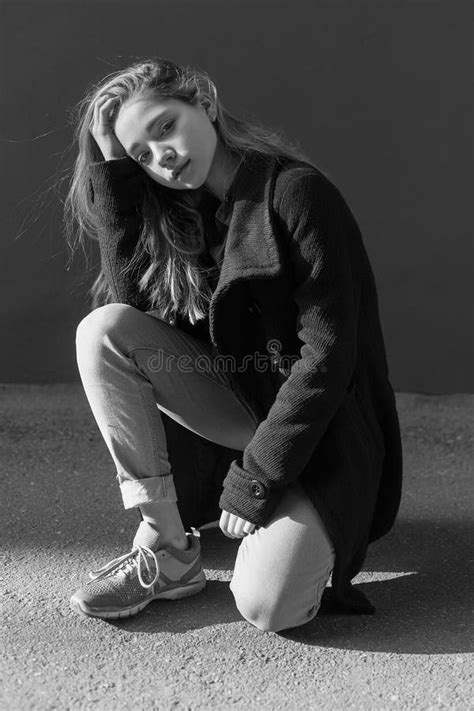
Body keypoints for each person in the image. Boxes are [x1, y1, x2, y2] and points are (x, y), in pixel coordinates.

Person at [64, 57, 403, 632]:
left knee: (269, 607)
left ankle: (299, 520)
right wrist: (116, 177)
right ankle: (170, 551)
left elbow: (328, 359)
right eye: (142, 155)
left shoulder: (298, 195)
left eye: (164, 128)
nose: (162, 158)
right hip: (242, 414)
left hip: (324, 433)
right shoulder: (180, 216)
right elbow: (132, 314)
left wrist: (257, 481)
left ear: (205, 102)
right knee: (103, 329)